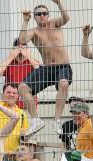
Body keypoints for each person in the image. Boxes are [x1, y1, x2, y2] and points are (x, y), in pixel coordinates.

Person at [18, 0, 72, 136]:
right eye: (38, 14)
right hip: (47, 68)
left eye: (44, 13)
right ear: (34, 17)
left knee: (63, 83)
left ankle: (57, 120)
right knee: (22, 88)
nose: (42, 16)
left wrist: (59, 3)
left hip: (62, 66)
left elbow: (66, 18)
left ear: (48, 15)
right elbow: (22, 40)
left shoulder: (54, 24)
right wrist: (25, 21)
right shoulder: (34, 31)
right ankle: (36, 120)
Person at [0, 53, 29, 153]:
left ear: (18, 96)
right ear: (3, 94)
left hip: (14, 156)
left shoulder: (22, 114)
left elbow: (25, 138)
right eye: (8, 92)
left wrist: (25, 136)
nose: (11, 95)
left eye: (14, 93)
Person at [0, 39, 40, 110]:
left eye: (23, 48)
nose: (20, 50)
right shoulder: (9, 63)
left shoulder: (32, 62)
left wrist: (28, 56)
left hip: (29, 107)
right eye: (18, 48)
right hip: (11, 107)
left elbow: (40, 71)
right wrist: (11, 57)